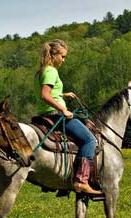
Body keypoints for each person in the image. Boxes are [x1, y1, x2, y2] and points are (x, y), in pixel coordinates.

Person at [34, 39, 102, 195]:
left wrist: (64, 94)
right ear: (53, 55)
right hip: (56, 114)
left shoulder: (40, 71)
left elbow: (46, 93)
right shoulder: (52, 71)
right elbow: (45, 95)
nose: (63, 60)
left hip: (44, 113)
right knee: (90, 140)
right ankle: (81, 181)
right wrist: (63, 109)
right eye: (62, 56)